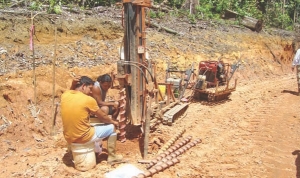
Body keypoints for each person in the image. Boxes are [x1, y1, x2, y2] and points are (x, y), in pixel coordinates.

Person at [61, 76, 123, 164]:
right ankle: (112, 156)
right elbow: (103, 117)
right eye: (90, 88)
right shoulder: (88, 100)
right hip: (83, 137)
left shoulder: (65, 95)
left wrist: (73, 83)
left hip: (68, 137)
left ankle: (72, 152)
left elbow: (71, 90)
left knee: (88, 125)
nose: (91, 91)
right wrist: (113, 122)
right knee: (111, 128)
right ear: (83, 86)